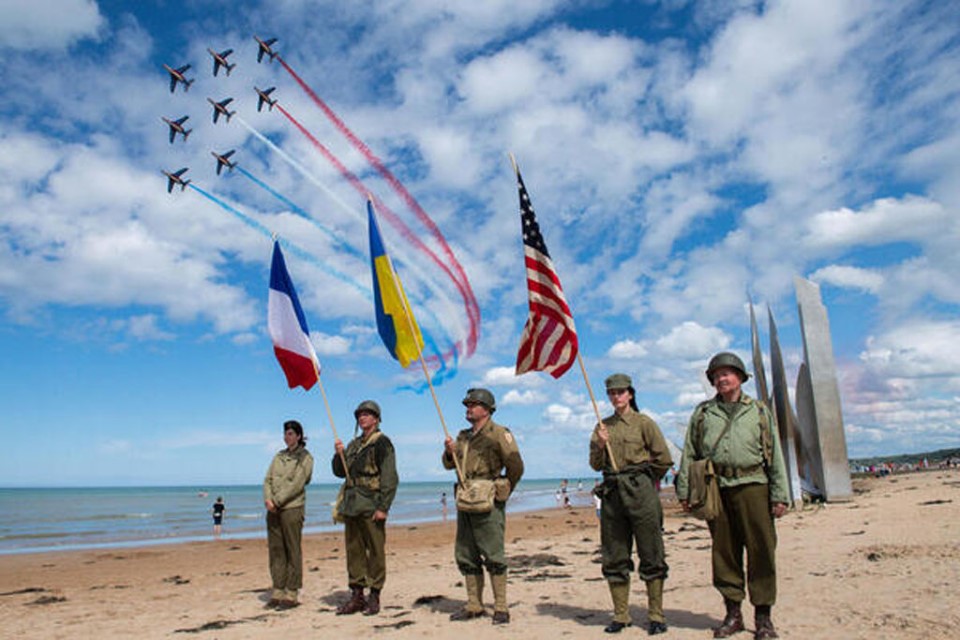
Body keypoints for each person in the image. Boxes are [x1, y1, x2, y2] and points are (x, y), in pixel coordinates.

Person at [676, 352, 789, 640]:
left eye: (727, 373)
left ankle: (763, 618)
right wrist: (686, 490)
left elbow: (774, 454)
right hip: (717, 488)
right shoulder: (703, 413)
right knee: (724, 552)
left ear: (740, 377)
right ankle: (733, 614)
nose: (721, 379)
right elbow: (690, 453)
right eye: (716, 375)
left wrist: (780, 495)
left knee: (762, 550)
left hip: (754, 486)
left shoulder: (759, 411)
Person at [590, 373, 673, 635]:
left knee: (651, 552)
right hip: (613, 494)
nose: (616, 397)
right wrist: (601, 445)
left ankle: (656, 615)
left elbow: (663, 459)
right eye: (612, 393)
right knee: (615, 553)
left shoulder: (644, 423)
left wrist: (644, 482)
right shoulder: (602, 426)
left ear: (630, 394)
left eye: (621, 392)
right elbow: (594, 463)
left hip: (640, 491)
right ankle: (621, 614)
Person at [442, 388, 524, 624]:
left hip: (489, 498)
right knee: (466, 553)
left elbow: (516, 465)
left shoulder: (499, 433)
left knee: (493, 553)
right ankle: (474, 604)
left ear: (487, 409)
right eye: (467, 404)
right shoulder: (463, 436)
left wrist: (505, 489)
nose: (468, 408)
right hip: (466, 498)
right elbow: (450, 465)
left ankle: (500, 607)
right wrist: (450, 453)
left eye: (474, 404)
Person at [331, 400, 398, 617]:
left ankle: (375, 594)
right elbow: (340, 472)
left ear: (376, 419)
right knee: (354, 551)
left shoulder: (383, 443)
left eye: (367, 415)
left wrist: (383, 507)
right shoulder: (353, 445)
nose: (362, 418)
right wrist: (338, 454)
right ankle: (357, 594)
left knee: (376, 551)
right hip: (352, 504)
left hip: (371, 503)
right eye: (360, 415)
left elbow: (390, 477)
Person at [263, 419, 314, 609]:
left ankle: (292, 593)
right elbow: (267, 479)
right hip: (273, 510)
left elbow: (297, 483)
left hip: (292, 508)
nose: (287, 437)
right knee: (276, 550)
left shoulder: (306, 457)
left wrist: (276, 501)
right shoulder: (278, 456)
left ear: (299, 436)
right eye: (285, 433)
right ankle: (278, 590)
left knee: (292, 550)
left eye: (291, 433)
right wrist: (268, 500)